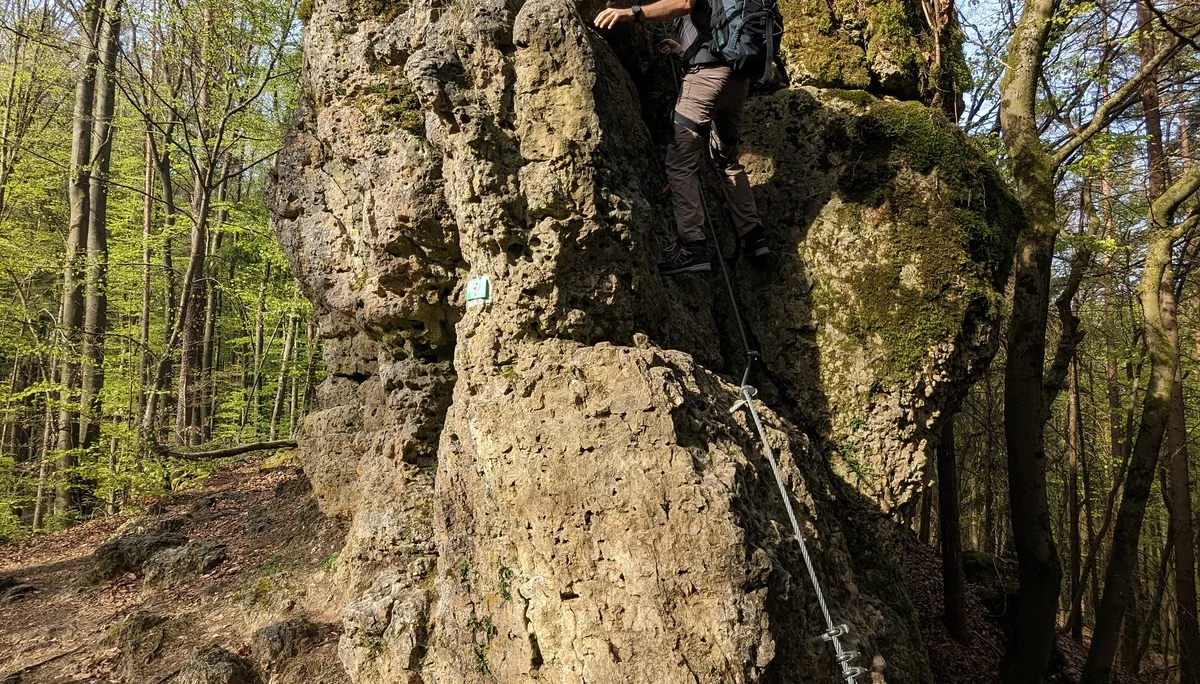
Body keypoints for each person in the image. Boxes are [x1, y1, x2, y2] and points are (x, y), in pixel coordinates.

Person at [595, 0, 773, 275]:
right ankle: (754, 237)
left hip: (706, 79)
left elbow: (683, 3)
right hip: (737, 81)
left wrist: (632, 13)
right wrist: (686, 52)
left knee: (680, 160)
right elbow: (719, 29)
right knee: (726, 159)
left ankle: (693, 248)